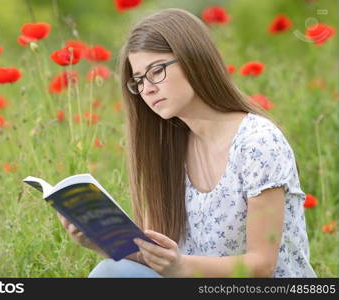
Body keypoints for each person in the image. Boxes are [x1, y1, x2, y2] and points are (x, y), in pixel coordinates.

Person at [57, 8, 317, 278]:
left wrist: (179, 266)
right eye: (138, 80)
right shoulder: (169, 149)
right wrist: (103, 243)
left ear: (195, 60)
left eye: (156, 71)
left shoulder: (258, 143)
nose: (147, 88)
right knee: (110, 270)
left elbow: (262, 266)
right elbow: (166, 261)